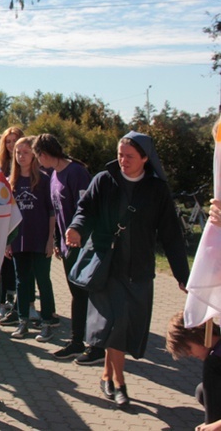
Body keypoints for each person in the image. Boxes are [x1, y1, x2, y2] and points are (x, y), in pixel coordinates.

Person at [65, 131, 189, 408]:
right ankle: (119, 383)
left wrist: (182, 275)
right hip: (107, 267)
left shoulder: (157, 190)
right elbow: (86, 210)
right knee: (117, 323)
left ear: (146, 158)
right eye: (120, 154)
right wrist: (76, 228)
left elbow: (171, 235)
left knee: (121, 327)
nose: (123, 160)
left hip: (139, 270)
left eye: (130, 156)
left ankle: (107, 375)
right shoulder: (104, 180)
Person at [32, 133, 105, 364]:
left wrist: (81, 238)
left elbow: (90, 208)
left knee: (86, 295)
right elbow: (56, 210)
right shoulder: (53, 175)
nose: (38, 163)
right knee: (77, 294)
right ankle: (76, 342)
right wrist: (56, 240)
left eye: (37, 157)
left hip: (83, 245)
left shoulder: (77, 173)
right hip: (66, 247)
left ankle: (94, 345)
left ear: (43, 154)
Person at [5, 136, 56, 342]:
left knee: (43, 280)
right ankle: (23, 320)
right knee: (21, 281)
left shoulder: (44, 180)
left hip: (40, 239)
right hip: (19, 240)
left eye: (26, 152)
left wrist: (51, 239)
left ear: (34, 155)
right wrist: (8, 241)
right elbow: (6, 215)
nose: (21, 156)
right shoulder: (11, 182)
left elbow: (52, 212)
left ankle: (47, 322)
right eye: (18, 152)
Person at [166, 312, 221, 430]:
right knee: (202, 391)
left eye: (188, 349)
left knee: (211, 366)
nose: (190, 354)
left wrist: (217, 426)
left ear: (199, 336)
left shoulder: (214, 362)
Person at [0, 126, 24, 323]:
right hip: (1, 222)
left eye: (15, 140)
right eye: (8, 141)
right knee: (1, 266)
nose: (11, 145)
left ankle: (21, 306)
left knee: (20, 269)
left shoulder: (28, 167)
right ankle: (1, 303)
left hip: (24, 222)